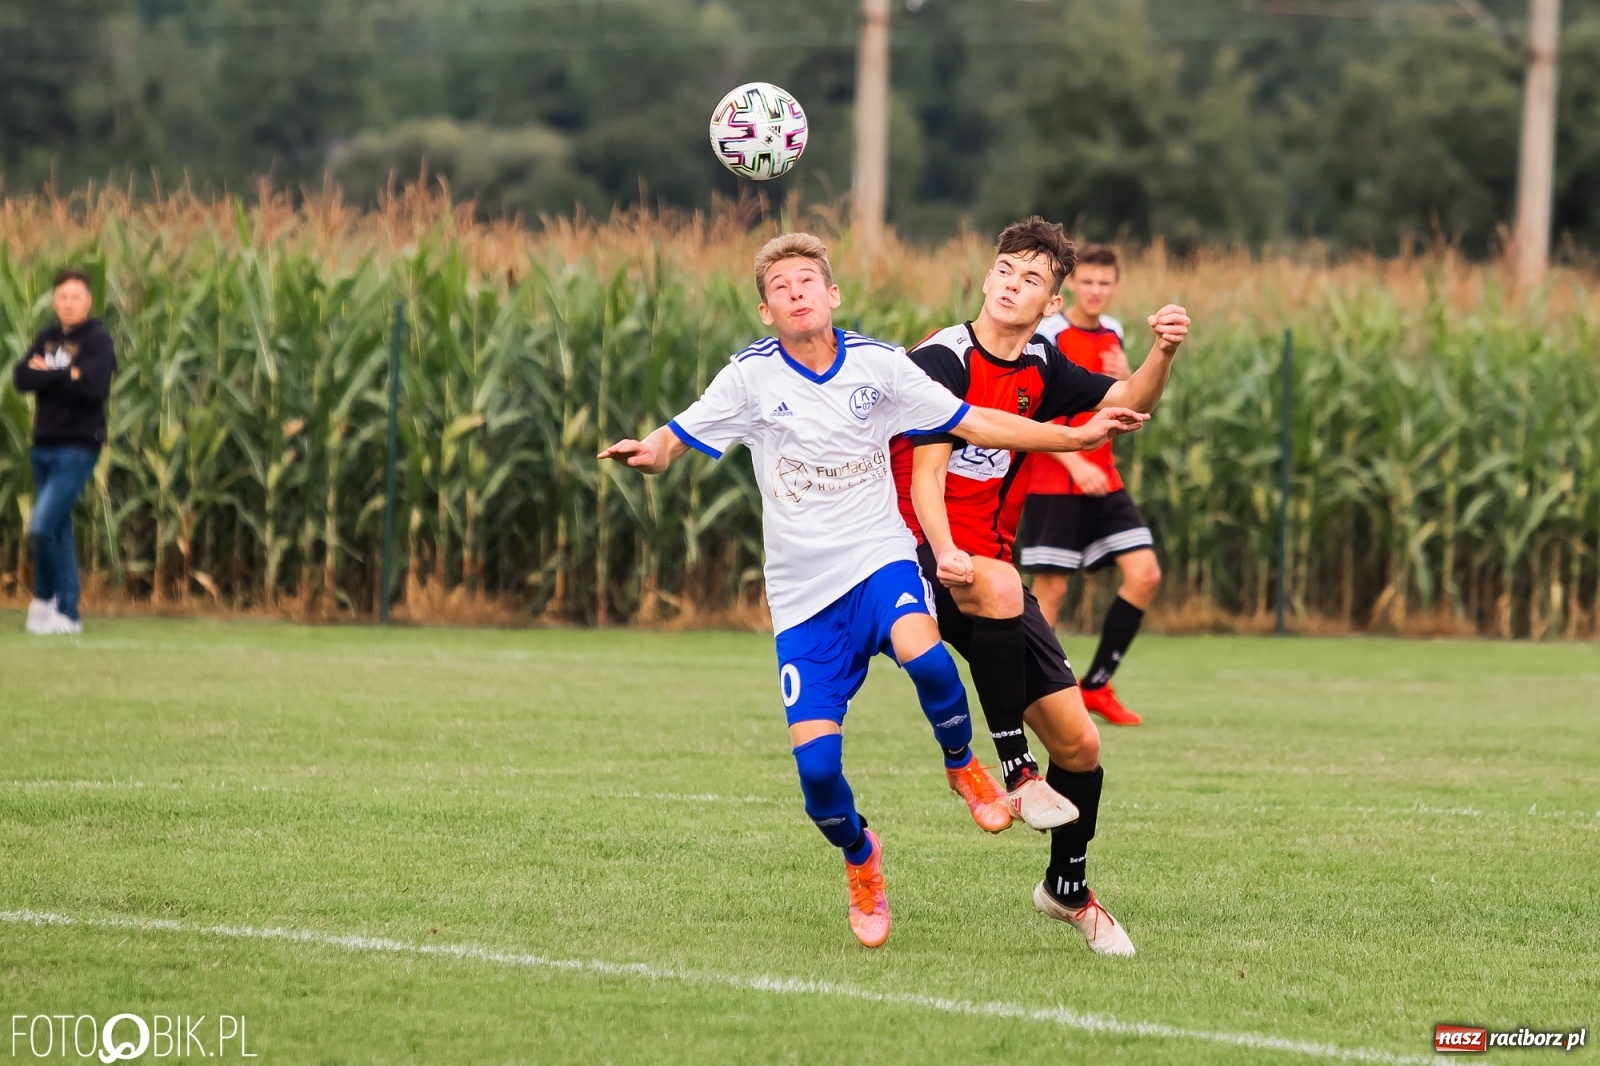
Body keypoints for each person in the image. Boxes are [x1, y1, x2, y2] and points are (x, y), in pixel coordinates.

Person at [599, 233, 1150, 949]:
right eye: (781, 287)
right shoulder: (750, 377)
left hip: (882, 557)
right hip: (803, 600)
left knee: (930, 660)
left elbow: (970, 420)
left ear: (833, 295)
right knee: (819, 779)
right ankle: (863, 857)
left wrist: (1074, 440)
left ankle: (971, 770)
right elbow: (680, 431)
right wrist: (651, 452)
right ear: (765, 310)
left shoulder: (883, 366)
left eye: (808, 280)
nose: (796, 292)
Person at [890, 218, 1189, 954]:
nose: (1010, 284)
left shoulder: (1044, 366)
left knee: (1082, 745)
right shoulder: (942, 358)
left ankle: (1066, 891)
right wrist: (946, 551)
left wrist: (1164, 350)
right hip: (912, 553)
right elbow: (927, 474)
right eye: (1004, 269)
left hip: (984, 562)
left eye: (1030, 278)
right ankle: (1016, 771)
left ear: (1051, 302)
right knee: (995, 583)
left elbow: (1126, 399)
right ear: (986, 276)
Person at [1023, 244, 1160, 726]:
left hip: (1104, 477)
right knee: (1051, 592)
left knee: (1145, 574)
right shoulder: (1050, 333)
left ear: (1114, 286)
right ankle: (1035, 696)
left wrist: (1130, 377)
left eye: (1105, 283)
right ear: (1071, 286)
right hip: (1053, 476)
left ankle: (1097, 684)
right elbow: (1027, 413)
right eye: (1088, 282)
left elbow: (1123, 399)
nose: (1096, 290)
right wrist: (1072, 460)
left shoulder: (1116, 332)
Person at [12, 268, 117, 636]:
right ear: (54, 300)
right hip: (43, 445)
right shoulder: (47, 336)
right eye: (62, 297)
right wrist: (66, 373)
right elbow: (22, 377)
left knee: (42, 525)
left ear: (88, 300)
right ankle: (59, 610)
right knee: (56, 527)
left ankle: (52, 602)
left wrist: (51, 374)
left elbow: (93, 387)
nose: (68, 303)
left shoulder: (98, 341)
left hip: (78, 446)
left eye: (76, 297)